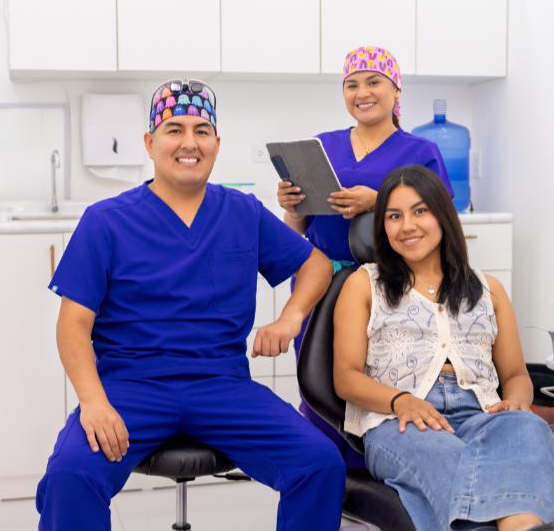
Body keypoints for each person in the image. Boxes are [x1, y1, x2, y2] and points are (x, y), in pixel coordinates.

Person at [36, 79, 345, 531]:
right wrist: (93, 401)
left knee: (320, 463)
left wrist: (290, 317)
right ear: (150, 142)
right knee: (70, 476)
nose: (189, 142)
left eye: (202, 131)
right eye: (174, 129)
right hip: (130, 386)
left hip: (222, 385)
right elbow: (73, 324)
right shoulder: (106, 220)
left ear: (216, 144)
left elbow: (317, 264)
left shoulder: (242, 211)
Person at [332, 165, 554, 531]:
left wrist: (517, 403)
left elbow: (515, 375)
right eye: (394, 216)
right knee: (445, 456)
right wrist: (401, 401)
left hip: (483, 416)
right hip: (399, 423)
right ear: (383, 226)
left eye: (420, 211)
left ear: (442, 216)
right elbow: (345, 377)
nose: (407, 225)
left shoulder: (488, 289)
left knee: (530, 430)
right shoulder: (364, 285)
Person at [277, 46, 455, 468]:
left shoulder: (420, 150)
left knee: (378, 387)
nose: (363, 92)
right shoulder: (320, 146)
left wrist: (379, 202)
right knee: (320, 387)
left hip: (390, 288)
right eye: (352, 84)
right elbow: (294, 230)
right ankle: (326, 484)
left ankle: (378, 483)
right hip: (320, 284)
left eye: (374, 81)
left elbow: (442, 225)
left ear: (396, 91)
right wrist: (290, 204)